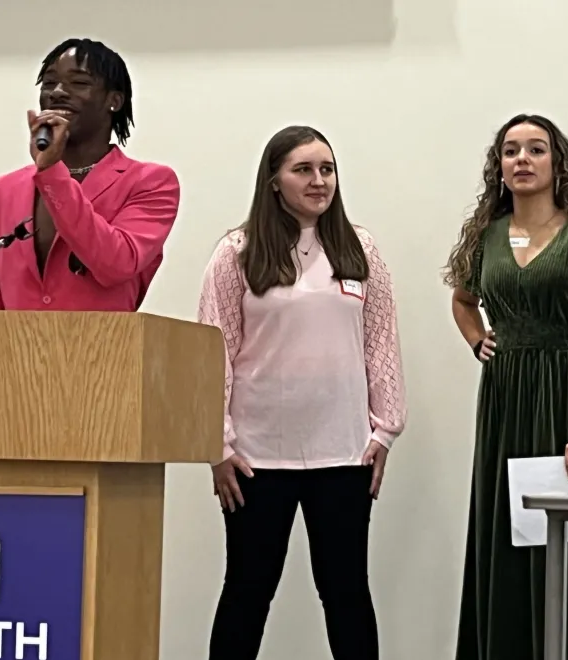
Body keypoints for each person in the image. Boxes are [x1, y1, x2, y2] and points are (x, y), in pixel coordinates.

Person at [197, 125, 406, 660]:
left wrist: (385, 430)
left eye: (327, 169)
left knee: (345, 594)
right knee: (247, 591)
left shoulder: (361, 248)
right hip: (255, 460)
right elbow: (212, 349)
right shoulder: (236, 252)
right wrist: (216, 446)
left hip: (343, 454)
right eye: (303, 170)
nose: (319, 181)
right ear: (274, 180)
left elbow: (381, 340)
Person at [446, 113, 568, 660]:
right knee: (507, 538)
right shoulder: (486, 236)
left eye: (536, 149)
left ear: (558, 164)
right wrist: (477, 338)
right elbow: (462, 300)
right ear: (498, 167)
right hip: (506, 401)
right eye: (510, 151)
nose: (522, 160)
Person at [0, 38, 180, 311]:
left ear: (114, 101)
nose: (57, 92)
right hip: (14, 352)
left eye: (78, 83)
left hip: (102, 350)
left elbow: (117, 264)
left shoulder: (150, 182)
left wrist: (52, 173)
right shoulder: (4, 189)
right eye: (48, 83)